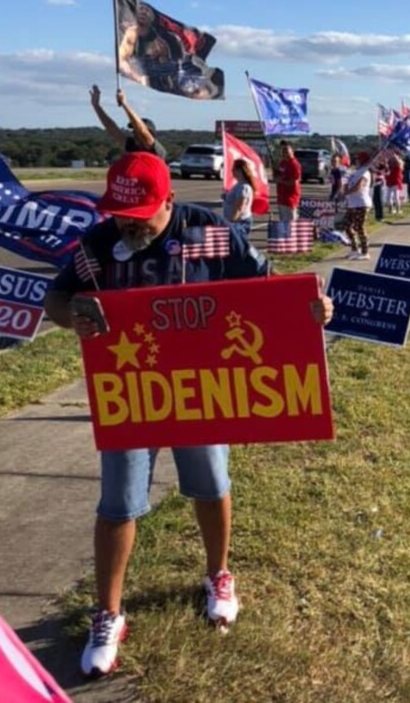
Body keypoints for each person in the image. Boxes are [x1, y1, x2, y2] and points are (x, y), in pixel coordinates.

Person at [43, 151, 333, 678]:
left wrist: (311, 307)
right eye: (121, 217)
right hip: (131, 390)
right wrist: (74, 314)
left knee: (209, 481)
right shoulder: (99, 244)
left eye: (142, 217)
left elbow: (265, 287)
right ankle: (108, 613)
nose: (130, 227)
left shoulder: (210, 232)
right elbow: (56, 299)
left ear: (169, 202)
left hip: (203, 387)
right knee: (118, 500)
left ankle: (218, 574)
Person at [89, 86, 167, 161]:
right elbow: (112, 129)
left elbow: (142, 131)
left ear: (150, 134)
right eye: (134, 131)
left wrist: (125, 104)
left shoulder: (156, 149)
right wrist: (96, 106)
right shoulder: (132, 145)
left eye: (136, 131)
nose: (134, 133)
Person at [342, 151, 372, 260]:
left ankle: (365, 252)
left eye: (358, 159)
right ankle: (354, 249)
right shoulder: (356, 172)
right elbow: (348, 183)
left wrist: (347, 192)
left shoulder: (365, 172)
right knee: (347, 226)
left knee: (359, 227)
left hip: (361, 204)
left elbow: (359, 186)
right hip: (352, 204)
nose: (356, 161)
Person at [222, 158, 255, 237]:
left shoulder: (244, 187)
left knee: (238, 247)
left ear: (240, 171)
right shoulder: (238, 185)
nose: (232, 171)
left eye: (234, 169)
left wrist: (231, 222)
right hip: (235, 222)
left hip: (239, 222)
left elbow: (239, 207)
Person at [275, 140, 301, 221]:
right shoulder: (282, 162)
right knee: (283, 221)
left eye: (287, 151)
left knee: (290, 222)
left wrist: (281, 181)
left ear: (292, 151)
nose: (284, 153)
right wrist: (275, 174)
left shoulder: (294, 164)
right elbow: (278, 175)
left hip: (290, 199)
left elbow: (294, 182)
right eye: (283, 151)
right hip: (281, 198)